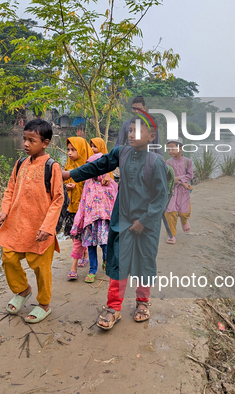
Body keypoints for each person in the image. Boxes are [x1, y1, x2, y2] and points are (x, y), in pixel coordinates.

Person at [62, 116, 168, 331]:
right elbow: (97, 167)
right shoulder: (121, 153)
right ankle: (113, 307)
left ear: (151, 137)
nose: (130, 135)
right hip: (123, 219)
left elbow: (161, 198)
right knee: (118, 260)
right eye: (129, 131)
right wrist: (70, 174)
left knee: (145, 262)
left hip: (147, 224)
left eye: (136, 132)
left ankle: (142, 303)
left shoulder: (156, 163)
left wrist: (144, 221)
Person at [0, 119, 64, 323]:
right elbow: (10, 190)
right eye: (24, 139)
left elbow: (58, 199)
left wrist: (47, 227)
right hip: (16, 226)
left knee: (42, 269)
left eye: (31, 140)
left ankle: (44, 304)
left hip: (40, 230)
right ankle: (23, 290)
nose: (25, 144)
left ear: (45, 143)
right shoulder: (20, 163)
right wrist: (4, 212)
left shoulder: (53, 167)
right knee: (8, 258)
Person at [69, 152, 118, 282]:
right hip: (90, 222)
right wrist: (78, 221)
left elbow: (115, 201)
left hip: (104, 221)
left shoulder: (110, 183)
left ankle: (106, 262)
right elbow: (83, 202)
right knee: (91, 247)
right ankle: (92, 271)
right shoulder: (88, 183)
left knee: (106, 245)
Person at [64, 137, 93, 277]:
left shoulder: (89, 167)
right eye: (68, 150)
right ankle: (85, 252)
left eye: (73, 150)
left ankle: (74, 266)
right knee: (74, 235)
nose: (69, 153)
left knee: (78, 237)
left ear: (81, 150)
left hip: (85, 209)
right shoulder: (68, 165)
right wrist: (66, 186)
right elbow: (60, 181)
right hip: (71, 207)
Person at [164, 139, 193, 244]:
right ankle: (171, 235)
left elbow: (190, 175)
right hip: (172, 190)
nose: (170, 151)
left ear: (180, 148)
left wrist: (180, 180)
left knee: (184, 212)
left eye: (172, 148)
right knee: (170, 211)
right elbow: (168, 177)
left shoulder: (187, 161)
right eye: (168, 149)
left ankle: (184, 220)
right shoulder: (168, 162)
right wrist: (179, 181)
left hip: (184, 191)